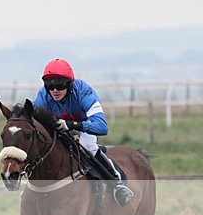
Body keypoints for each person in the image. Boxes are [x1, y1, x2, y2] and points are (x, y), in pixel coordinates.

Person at [32, 59, 134, 206]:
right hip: (61, 128)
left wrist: (73, 125)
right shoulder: (43, 95)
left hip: (86, 126)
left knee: (87, 144)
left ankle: (117, 183)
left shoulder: (83, 91)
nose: (54, 90)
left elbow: (101, 127)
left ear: (69, 84)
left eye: (59, 85)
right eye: (50, 85)